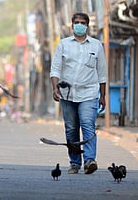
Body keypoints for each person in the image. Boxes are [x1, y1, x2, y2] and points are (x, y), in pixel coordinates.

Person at [50, 12, 107, 175]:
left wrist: (102, 95)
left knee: (88, 125)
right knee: (71, 129)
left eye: (83, 22)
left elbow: (102, 73)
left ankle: (90, 160)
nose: (80, 25)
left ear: (87, 26)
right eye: (77, 22)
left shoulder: (96, 46)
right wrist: (55, 88)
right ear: (72, 25)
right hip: (67, 95)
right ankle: (75, 163)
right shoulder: (63, 44)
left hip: (89, 94)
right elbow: (55, 69)